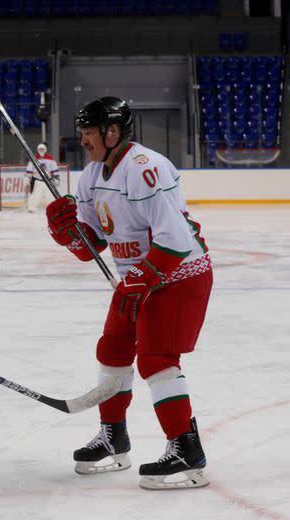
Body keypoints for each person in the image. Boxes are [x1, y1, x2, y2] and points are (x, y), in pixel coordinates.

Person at [45, 97, 213, 490]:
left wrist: (143, 276)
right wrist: (67, 233)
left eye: (90, 132)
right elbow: (91, 247)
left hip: (179, 275)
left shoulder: (145, 168)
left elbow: (174, 239)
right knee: (113, 349)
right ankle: (113, 437)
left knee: (155, 358)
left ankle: (187, 449)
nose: (83, 140)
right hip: (140, 279)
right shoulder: (90, 177)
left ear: (113, 131)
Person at [25, 143, 59, 213]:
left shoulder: (50, 158)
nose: (41, 150)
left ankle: (54, 209)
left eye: (42, 149)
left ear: (45, 150)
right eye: (40, 149)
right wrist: (28, 177)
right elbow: (29, 168)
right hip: (37, 181)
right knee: (35, 195)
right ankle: (31, 208)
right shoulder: (33, 158)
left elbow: (54, 168)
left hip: (48, 181)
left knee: (50, 196)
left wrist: (56, 177)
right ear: (37, 150)